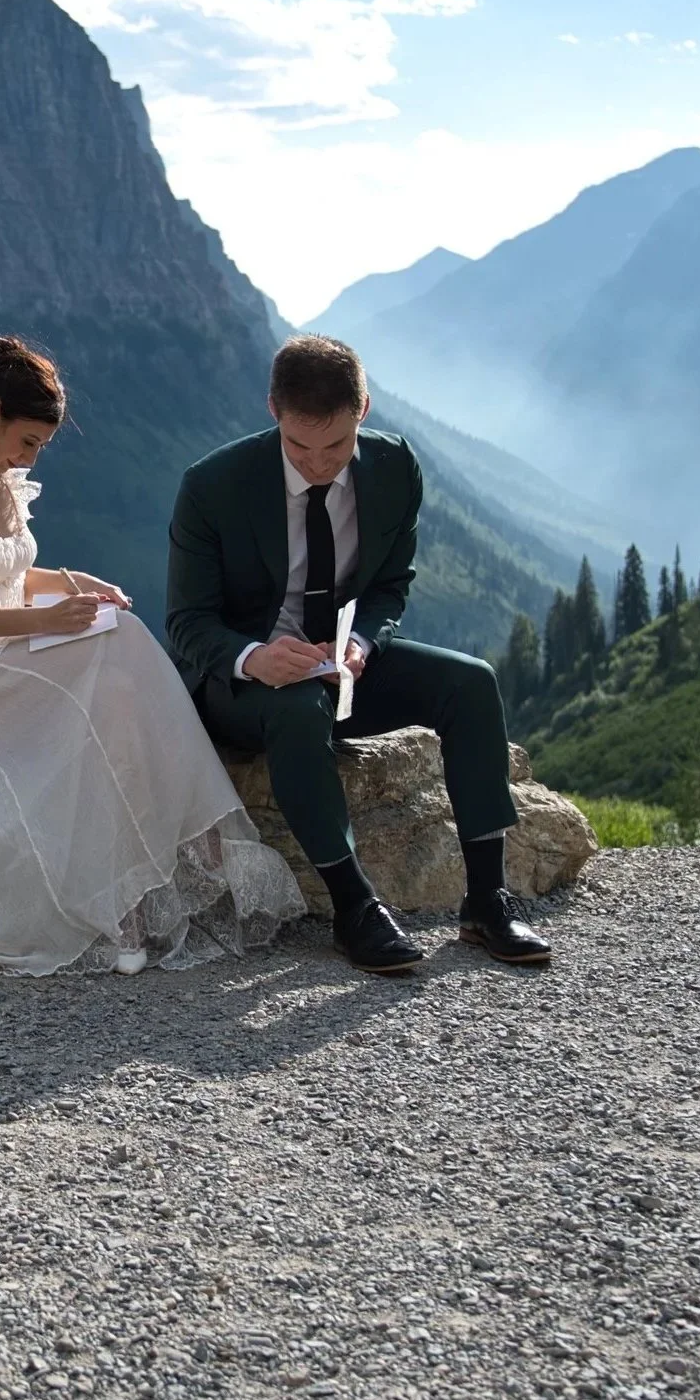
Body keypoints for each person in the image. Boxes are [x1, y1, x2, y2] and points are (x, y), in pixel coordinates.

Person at [0, 336, 305, 975]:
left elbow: (4, 572)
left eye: (40, 447)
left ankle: (139, 893)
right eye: (28, 440)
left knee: (121, 636)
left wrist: (69, 581)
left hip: (3, 654)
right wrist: (44, 618)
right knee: (113, 652)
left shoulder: (0, 477)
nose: (32, 457)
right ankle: (168, 868)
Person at [165, 334, 551, 975]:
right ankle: (354, 907)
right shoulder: (212, 486)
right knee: (295, 710)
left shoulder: (396, 467)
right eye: (298, 447)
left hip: (344, 667)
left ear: (363, 411)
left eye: (337, 447)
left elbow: (390, 584)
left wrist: (363, 643)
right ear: (272, 411)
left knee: (473, 683)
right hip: (245, 684)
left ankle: (486, 899)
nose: (318, 464)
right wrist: (254, 657)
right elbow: (186, 622)